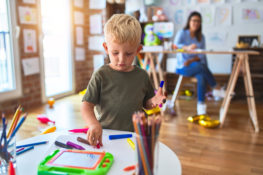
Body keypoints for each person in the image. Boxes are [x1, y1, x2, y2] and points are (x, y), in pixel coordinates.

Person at [81, 14, 166, 146]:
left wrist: (153, 101)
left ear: (138, 50)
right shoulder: (100, 75)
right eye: (115, 53)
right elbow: (86, 105)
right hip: (106, 135)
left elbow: (146, 104)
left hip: (136, 135)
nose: (121, 59)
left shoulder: (142, 76)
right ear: (106, 48)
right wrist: (93, 124)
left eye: (128, 54)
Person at [173, 11, 224, 115]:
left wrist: (191, 60)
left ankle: (201, 108)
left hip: (196, 65)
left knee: (201, 76)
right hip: (182, 66)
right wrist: (187, 47)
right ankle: (216, 88)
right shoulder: (182, 33)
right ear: (189, 21)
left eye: (198, 21)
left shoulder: (201, 37)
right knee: (201, 68)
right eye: (194, 20)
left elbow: (202, 56)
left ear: (200, 23)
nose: (196, 23)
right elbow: (174, 46)